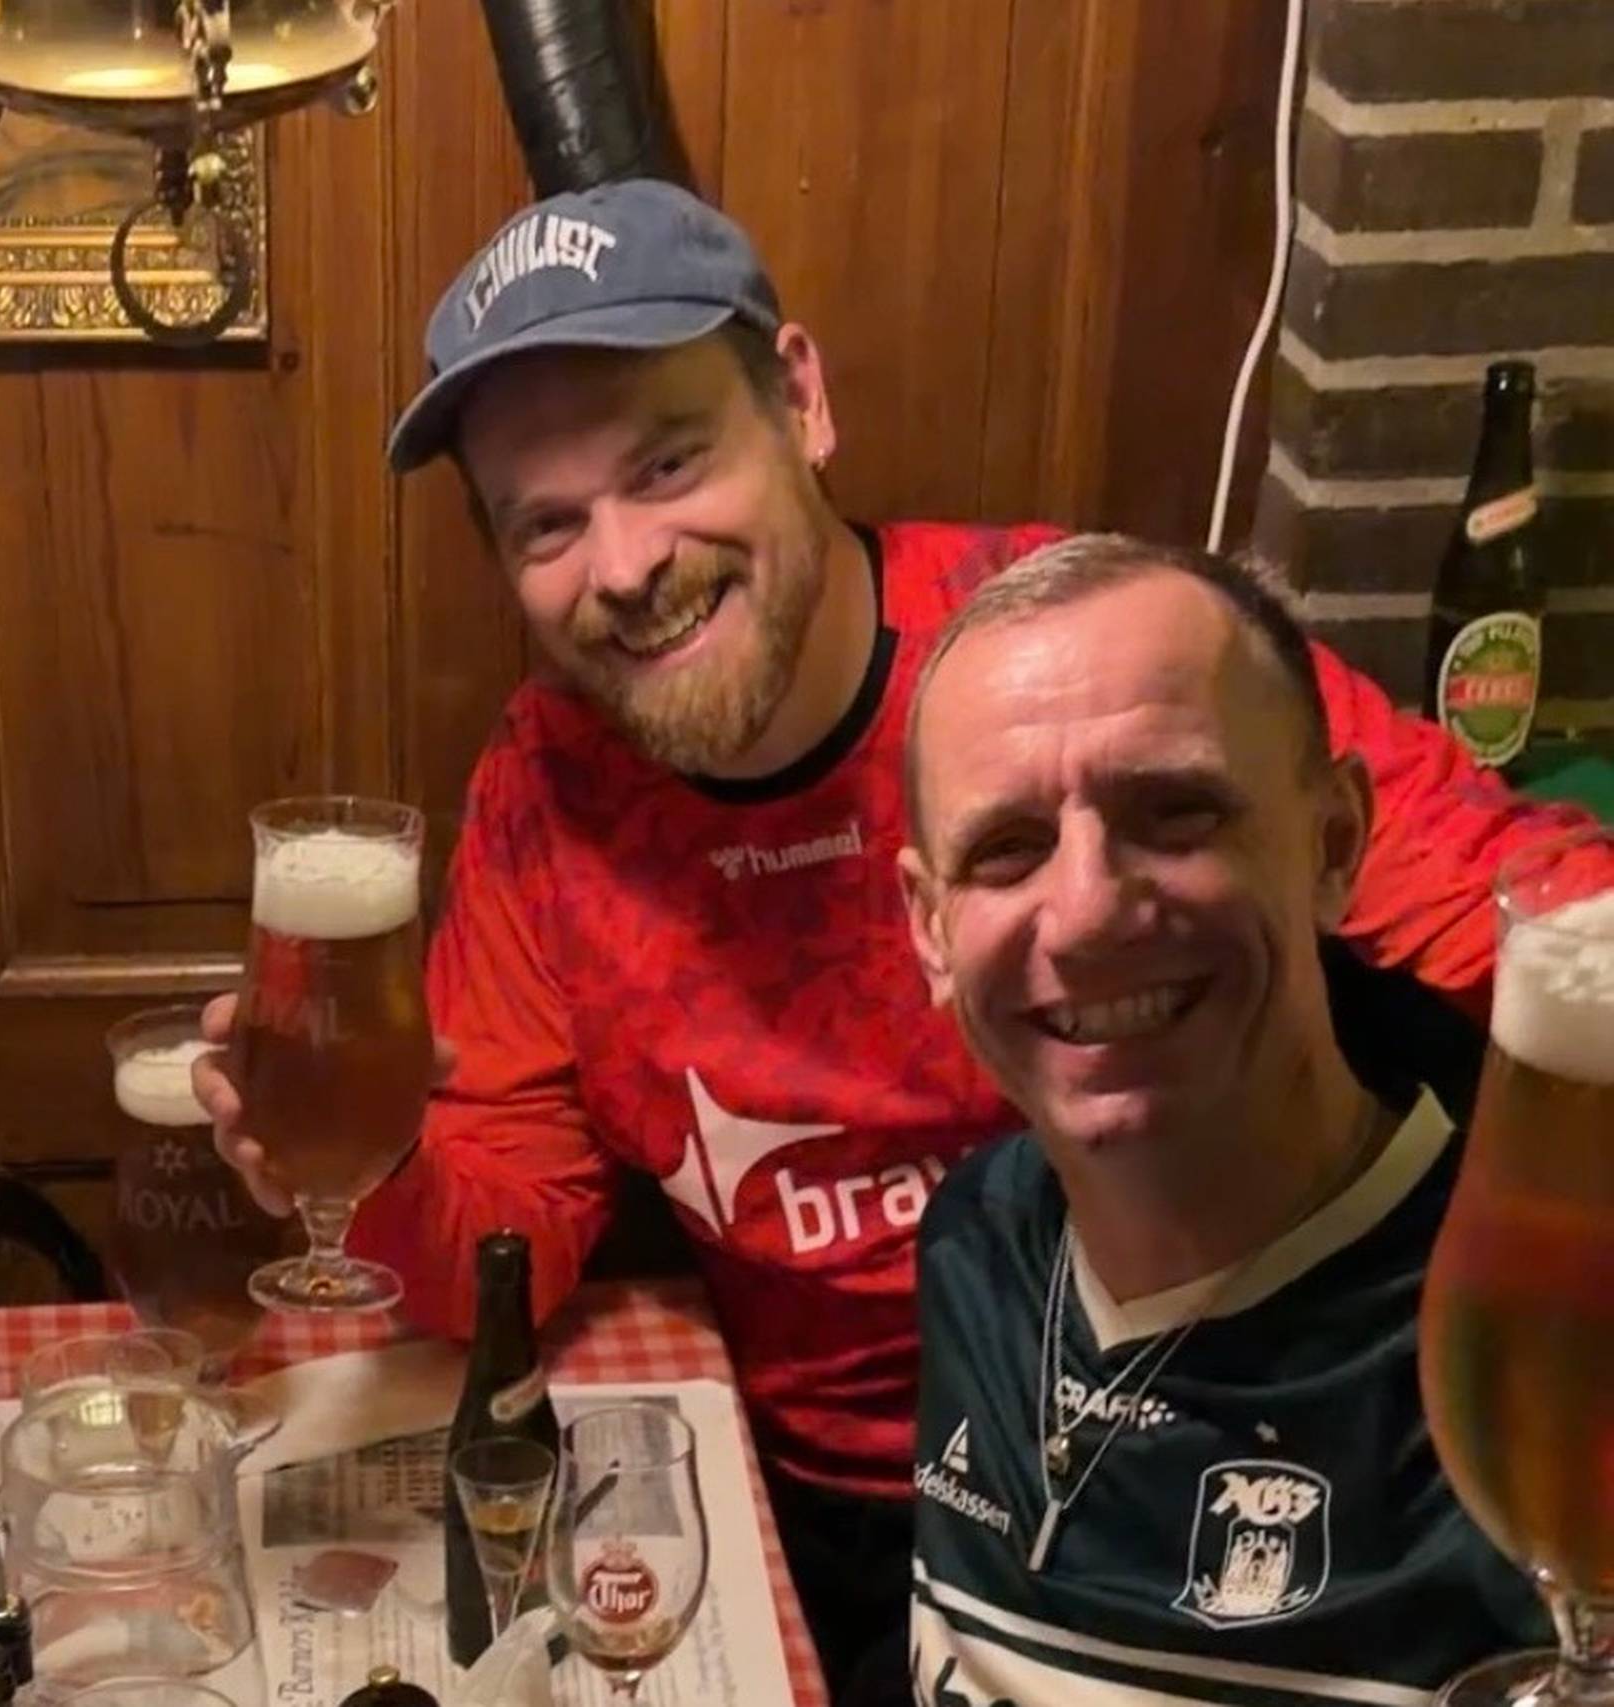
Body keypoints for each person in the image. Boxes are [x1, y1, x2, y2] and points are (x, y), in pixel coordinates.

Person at [192, 179, 1588, 1701]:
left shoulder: (1065, 671)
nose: (627, 562)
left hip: (1200, 1468)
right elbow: (506, 1238)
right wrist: (374, 1172)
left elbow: (1538, 906)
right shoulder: (546, 791)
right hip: (802, 1508)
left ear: (801, 400)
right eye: (549, 522)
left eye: (668, 462)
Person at [896, 535, 1551, 1702]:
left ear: (1333, 845)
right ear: (928, 928)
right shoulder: (972, 1242)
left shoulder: (1516, 1345)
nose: (1086, 913)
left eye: (1175, 813)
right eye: (1006, 850)